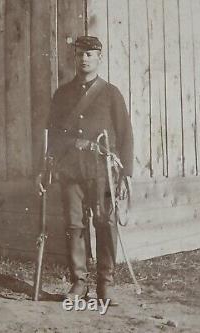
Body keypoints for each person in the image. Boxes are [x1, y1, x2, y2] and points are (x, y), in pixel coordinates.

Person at [43, 36, 133, 306]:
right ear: (75, 57)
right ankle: (79, 283)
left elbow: (126, 134)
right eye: (80, 54)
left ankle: (105, 285)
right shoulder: (62, 95)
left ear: (99, 58)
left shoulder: (111, 93)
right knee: (73, 225)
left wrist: (124, 175)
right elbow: (53, 135)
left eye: (90, 54)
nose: (85, 58)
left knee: (106, 224)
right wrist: (50, 164)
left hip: (102, 171)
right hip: (71, 171)